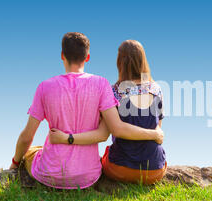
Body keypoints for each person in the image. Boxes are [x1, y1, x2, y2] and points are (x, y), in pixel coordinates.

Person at [10, 33, 163, 189]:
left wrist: (15, 163)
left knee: (33, 151)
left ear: (62, 55)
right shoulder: (106, 85)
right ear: (87, 57)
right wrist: (155, 134)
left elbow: (26, 136)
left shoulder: (45, 87)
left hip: (56, 173)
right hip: (93, 175)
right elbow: (106, 134)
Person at [49, 40, 166, 185]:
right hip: (154, 171)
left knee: (106, 156)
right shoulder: (156, 89)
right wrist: (154, 134)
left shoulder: (115, 91)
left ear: (120, 62)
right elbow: (157, 128)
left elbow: (107, 131)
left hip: (120, 168)